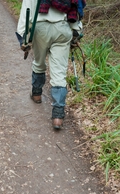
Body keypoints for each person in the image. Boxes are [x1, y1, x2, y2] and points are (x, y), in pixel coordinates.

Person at [16, 0, 85, 129]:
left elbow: (27, 9)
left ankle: (36, 94)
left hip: (40, 28)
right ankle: (58, 116)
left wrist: (23, 38)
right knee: (59, 73)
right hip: (63, 28)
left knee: (39, 62)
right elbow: (76, 9)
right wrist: (76, 31)